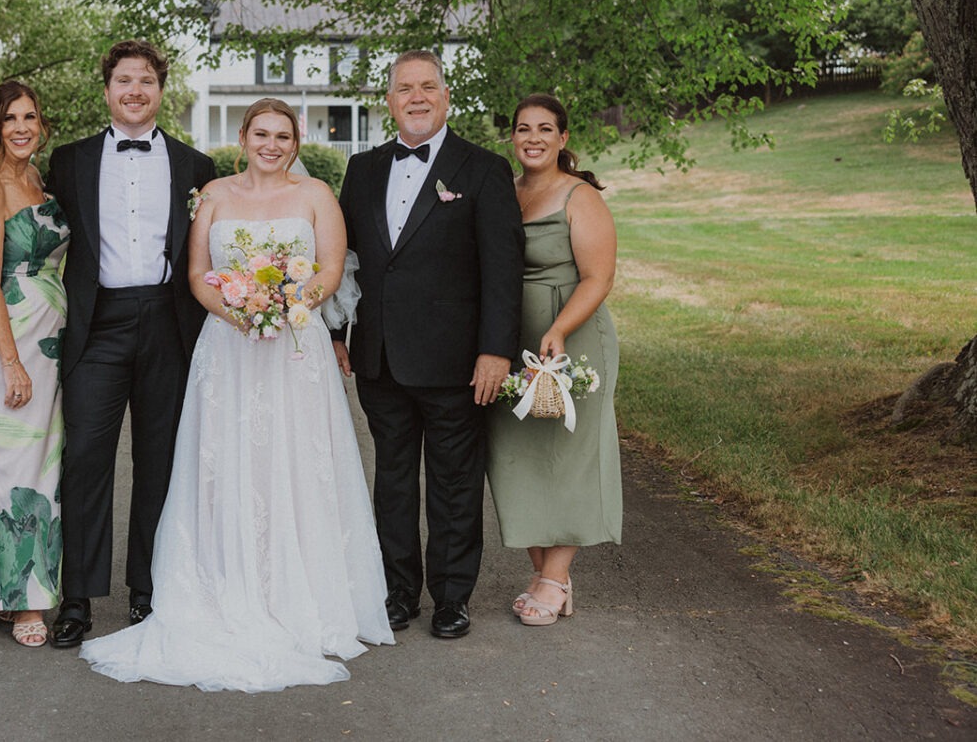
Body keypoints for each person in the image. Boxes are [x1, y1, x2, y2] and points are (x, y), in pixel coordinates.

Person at [81, 98, 393, 691]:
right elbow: (197, 273)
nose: (271, 145)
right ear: (243, 137)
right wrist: (239, 311)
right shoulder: (215, 196)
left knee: (298, 464)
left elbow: (330, 267)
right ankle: (225, 584)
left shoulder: (317, 196)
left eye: (283, 135)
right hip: (227, 349)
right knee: (224, 467)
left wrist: (287, 305)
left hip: (296, 351)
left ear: (295, 141)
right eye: (261, 134)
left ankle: (299, 592)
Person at [333, 49, 524, 640]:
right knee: (390, 480)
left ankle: (451, 597)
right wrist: (339, 332)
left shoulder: (483, 169)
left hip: (456, 361)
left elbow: (502, 269)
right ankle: (396, 594)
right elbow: (346, 262)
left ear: (446, 96)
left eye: (428, 87)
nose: (416, 97)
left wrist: (495, 350)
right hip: (381, 357)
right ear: (388, 101)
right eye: (404, 88)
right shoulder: (361, 169)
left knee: (453, 482)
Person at [45, 40, 216, 648]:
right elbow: (28, 225)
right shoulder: (68, 162)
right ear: (107, 89)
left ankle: (149, 589)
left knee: (160, 461)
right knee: (85, 458)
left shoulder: (197, 168)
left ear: (161, 90)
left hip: (170, 322)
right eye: (124, 80)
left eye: (146, 80)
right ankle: (78, 598)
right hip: (98, 323)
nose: (135, 91)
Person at [487, 93, 621, 626]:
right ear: (512, 138)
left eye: (546, 129)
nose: (533, 138)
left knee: (567, 456)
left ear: (563, 139)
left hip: (571, 336)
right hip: (511, 338)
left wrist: (560, 328)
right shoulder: (505, 191)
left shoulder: (579, 196)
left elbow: (599, 277)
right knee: (514, 456)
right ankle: (549, 575)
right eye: (524, 129)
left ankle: (553, 578)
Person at [0, 80, 69, 647]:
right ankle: (21, 603)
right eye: (10, 120)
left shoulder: (39, 182)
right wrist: (12, 364)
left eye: (30, 117)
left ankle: (3, 590)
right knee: (6, 466)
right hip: (7, 343)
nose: (22, 127)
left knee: (41, 467)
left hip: (47, 341)